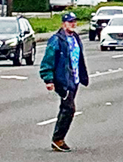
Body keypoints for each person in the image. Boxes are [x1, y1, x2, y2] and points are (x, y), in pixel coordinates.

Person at [39, 12, 89, 152]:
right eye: (69, 22)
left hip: (75, 79)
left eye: (74, 22)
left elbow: (78, 59)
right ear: (63, 24)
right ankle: (58, 139)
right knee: (68, 108)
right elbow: (48, 60)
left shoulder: (75, 38)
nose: (72, 24)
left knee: (67, 108)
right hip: (63, 80)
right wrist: (48, 79)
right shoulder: (56, 40)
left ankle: (59, 139)